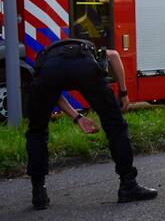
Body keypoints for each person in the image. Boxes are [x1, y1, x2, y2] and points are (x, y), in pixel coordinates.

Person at [25, 39, 157, 210]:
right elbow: (114, 56)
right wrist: (123, 93)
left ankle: (38, 193)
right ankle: (128, 185)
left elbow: (52, 93)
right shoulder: (88, 50)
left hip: (51, 74)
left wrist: (77, 118)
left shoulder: (47, 58)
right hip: (85, 68)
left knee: (37, 131)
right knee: (115, 126)